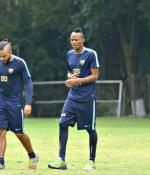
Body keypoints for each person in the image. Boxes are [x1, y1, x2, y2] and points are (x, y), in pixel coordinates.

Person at [48, 28, 99, 171]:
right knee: (62, 123)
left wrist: (79, 81)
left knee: (90, 129)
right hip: (72, 97)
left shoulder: (91, 54)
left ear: (83, 40)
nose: (73, 42)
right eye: (71, 39)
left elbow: (95, 76)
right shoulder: (69, 54)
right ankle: (61, 159)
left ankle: (91, 160)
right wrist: (70, 78)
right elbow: (70, 71)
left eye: (76, 39)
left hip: (87, 98)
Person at [0, 39, 38, 170]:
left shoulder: (20, 63)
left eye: (4, 56)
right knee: (0, 131)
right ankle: (0, 162)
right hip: (1, 102)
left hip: (15, 104)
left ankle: (32, 156)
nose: (2, 58)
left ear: (10, 52)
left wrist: (28, 103)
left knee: (19, 133)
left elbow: (28, 83)